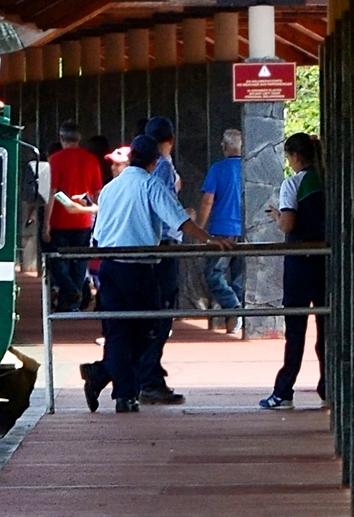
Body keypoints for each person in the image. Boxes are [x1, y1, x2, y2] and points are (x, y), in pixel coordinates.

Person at [83, 133, 190, 412]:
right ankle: (109, 379)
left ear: (131, 158)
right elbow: (178, 219)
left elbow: (99, 233)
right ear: (155, 161)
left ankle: (122, 392)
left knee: (119, 333)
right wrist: (210, 239)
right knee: (149, 330)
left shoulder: (110, 189)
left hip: (110, 266)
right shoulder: (151, 185)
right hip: (139, 269)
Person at [262, 131, 327, 410]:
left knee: (296, 328)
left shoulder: (292, 184)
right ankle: (329, 385)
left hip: (300, 262)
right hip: (325, 260)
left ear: (296, 156)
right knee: (327, 326)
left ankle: (284, 389)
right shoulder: (325, 180)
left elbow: (288, 224)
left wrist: (276, 215)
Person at [141, 115, 186, 403]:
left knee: (148, 313)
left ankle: (149, 370)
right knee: (162, 312)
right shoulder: (164, 168)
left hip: (147, 249)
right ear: (170, 140)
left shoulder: (137, 173)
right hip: (164, 248)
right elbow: (168, 211)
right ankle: (149, 377)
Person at [39, 125, 104, 312]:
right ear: (79, 137)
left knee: (57, 261)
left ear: (61, 138)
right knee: (79, 261)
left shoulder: (56, 160)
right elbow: (98, 192)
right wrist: (97, 215)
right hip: (84, 219)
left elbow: (51, 194)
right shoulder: (91, 160)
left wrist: (46, 224)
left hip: (60, 220)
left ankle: (71, 292)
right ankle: (74, 302)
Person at [193, 124, 248, 332]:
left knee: (213, 274)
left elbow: (207, 201)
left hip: (221, 229)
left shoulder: (218, 169)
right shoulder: (248, 167)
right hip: (243, 229)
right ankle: (236, 319)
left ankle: (233, 308)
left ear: (224, 146)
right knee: (239, 276)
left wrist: (200, 229)